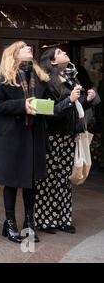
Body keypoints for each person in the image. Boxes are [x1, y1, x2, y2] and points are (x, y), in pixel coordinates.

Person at [0, 41, 50, 244]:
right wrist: (23, 105)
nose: (29, 49)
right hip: (13, 138)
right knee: (12, 181)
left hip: (34, 136)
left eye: (29, 48)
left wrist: (76, 99)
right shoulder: (7, 78)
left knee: (31, 182)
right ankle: (10, 223)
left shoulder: (40, 77)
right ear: (15, 54)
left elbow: (52, 104)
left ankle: (29, 223)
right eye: (24, 48)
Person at [35, 48, 98, 234]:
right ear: (52, 61)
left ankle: (64, 218)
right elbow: (47, 111)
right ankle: (46, 220)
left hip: (69, 135)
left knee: (64, 179)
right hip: (52, 136)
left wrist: (88, 99)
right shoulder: (45, 81)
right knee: (48, 180)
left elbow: (76, 105)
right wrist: (70, 99)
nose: (65, 53)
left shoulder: (72, 77)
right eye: (60, 52)